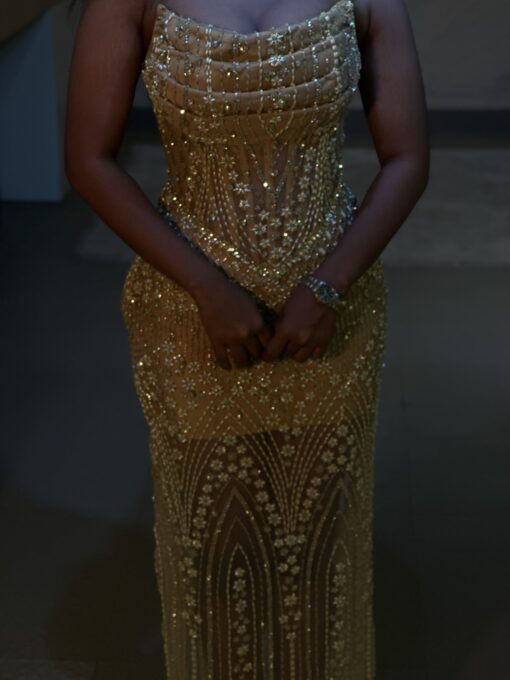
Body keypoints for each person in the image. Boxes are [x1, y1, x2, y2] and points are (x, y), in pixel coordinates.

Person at [65, 0, 429, 677]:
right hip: (190, 311)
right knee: (213, 545)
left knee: (324, 538)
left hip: (332, 311)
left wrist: (328, 287)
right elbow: (89, 160)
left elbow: (407, 158)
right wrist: (205, 286)